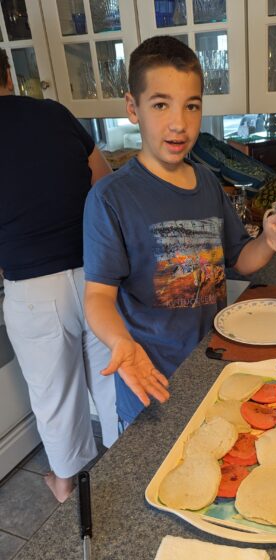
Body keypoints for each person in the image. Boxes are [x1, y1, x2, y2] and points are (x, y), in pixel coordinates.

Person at [83, 36, 276, 428]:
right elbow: (98, 297)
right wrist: (121, 342)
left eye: (192, 106)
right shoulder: (111, 198)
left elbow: (240, 259)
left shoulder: (206, 182)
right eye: (160, 104)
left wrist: (266, 241)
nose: (179, 123)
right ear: (132, 108)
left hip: (212, 370)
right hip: (150, 384)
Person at [0, 48, 119, 502]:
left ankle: (65, 485)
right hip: (95, 274)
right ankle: (128, 465)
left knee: (55, 395)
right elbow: (103, 182)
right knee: (111, 381)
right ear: (9, 73)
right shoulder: (54, 113)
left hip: (33, 287)